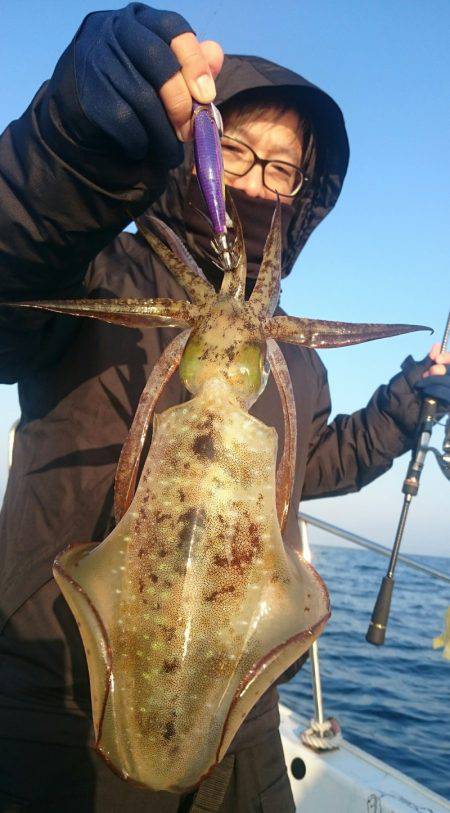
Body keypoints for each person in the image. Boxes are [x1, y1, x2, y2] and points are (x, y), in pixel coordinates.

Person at [0, 4, 448, 811]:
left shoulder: (294, 356)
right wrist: (68, 153)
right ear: (196, 152)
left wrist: (414, 396)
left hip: (239, 723)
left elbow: (315, 464)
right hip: (60, 708)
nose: (256, 180)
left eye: (283, 169)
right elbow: (11, 270)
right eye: (236, 149)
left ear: (302, 194)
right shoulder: (98, 272)